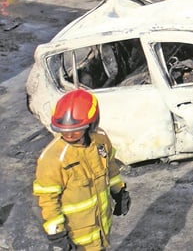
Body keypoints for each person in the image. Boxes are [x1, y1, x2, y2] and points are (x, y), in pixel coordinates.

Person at [33, 88, 130, 251]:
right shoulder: (53, 158)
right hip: (75, 240)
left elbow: (110, 167)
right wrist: (57, 235)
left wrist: (119, 192)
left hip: (100, 231)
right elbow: (47, 200)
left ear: (91, 124)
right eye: (64, 130)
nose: (69, 135)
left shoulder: (100, 141)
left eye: (76, 129)